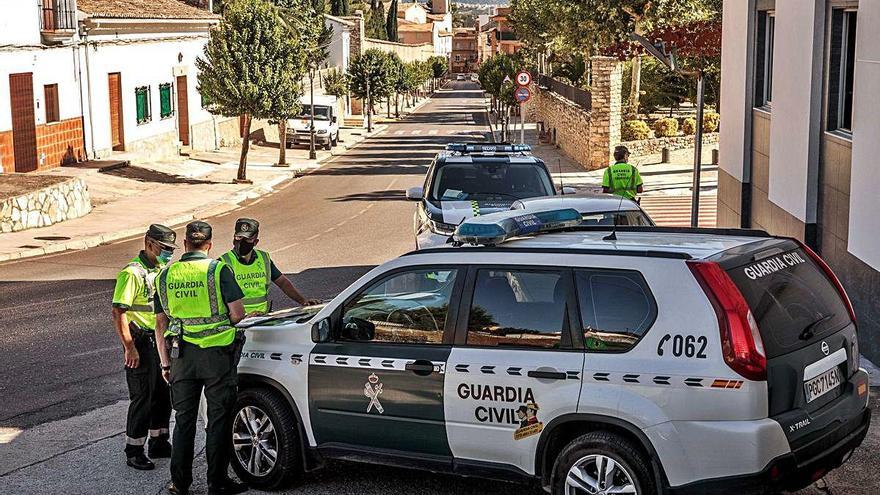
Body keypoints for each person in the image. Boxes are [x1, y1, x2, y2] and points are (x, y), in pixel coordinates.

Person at [155, 221, 248, 495]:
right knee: (218, 420)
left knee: (183, 421)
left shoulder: (165, 275)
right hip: (218, 357)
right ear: (208, 245)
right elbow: (238, 313)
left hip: (182, 356)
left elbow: (160, 324)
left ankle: (179, 484)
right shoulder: (218, 269)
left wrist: (165, 362)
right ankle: (216, 483)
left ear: (184, 245)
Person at [111, 224, 177, 470]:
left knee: (162, 395)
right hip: (140, 342)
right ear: (149, 243)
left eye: (171, 249)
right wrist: (129, 347)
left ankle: (159, 441)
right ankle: (134, 449)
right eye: (164, 248)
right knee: (142, 397)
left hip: (160, 340)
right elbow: (118, 312)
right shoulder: (132, 273)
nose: (168, 253)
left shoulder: (161, 270)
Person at [220, 218, 319, 316]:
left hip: (263, 318)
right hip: (238, 323)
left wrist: (303, 301)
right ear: (233, 238)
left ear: (255, 242)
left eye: (247, 239)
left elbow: (282, 282)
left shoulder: (263, 259)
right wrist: (241, 317)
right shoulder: (224, 262)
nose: (242, 242)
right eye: (239, 237)